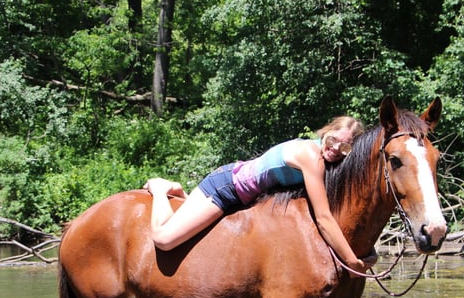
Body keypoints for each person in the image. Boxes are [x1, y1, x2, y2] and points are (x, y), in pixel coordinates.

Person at [143, 116, 376, 274]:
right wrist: (351, 261)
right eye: (333, 140)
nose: (335, 149)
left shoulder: (329, 164)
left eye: (344, 148)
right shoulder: (311, 156)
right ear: (326, 132)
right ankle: (161, 188)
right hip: (226, 188)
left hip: (244, 199)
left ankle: (182, 195)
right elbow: (324, 218)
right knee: (164, 239)